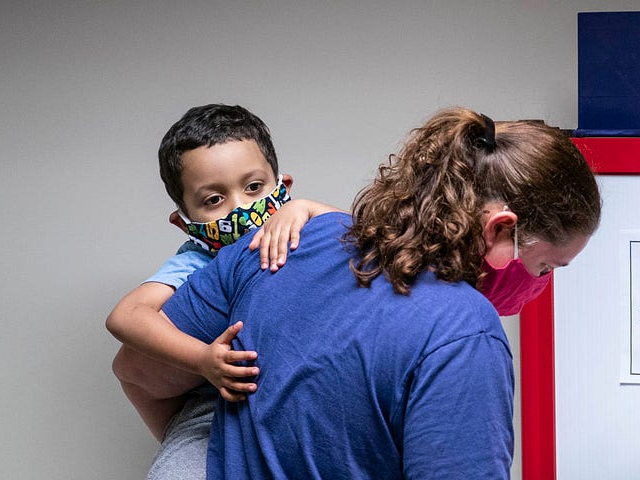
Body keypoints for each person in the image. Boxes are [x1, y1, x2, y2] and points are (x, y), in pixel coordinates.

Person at [112, 107, 601, 479]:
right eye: (543, 266)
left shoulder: (273, 245)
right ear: (499, 230)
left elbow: (134, 369)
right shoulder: (464, 333)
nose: (538, 282)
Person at [106, 104, 342, 480]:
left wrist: (309, 210)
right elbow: (125, 317)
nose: (241, 208)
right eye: (214, 200)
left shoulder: (297, 226)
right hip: (213, 399)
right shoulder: (195, 262)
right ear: (184, 222)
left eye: (253, 188)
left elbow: (361, 237)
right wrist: (202, 359)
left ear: (283, 188)